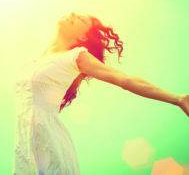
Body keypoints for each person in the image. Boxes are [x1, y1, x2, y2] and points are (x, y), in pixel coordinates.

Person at [12, 12, 189, 175]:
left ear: (81, 36)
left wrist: (178, 99)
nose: (74, 14)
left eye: (81, 20)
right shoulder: (37, 60)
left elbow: (124, 80)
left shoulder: (76, 56)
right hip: (26, 145)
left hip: (50, 145)